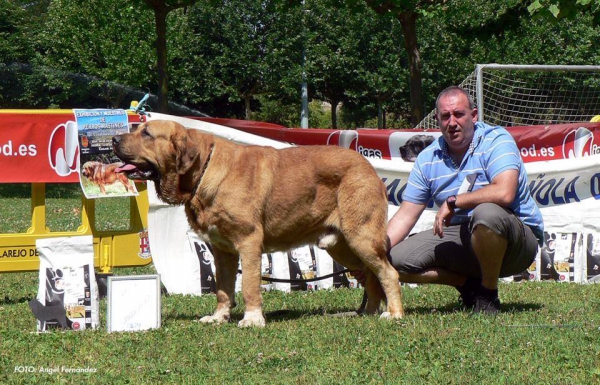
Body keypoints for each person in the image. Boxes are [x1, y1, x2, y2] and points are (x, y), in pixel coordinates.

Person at [383, 86, 544, 315]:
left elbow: (505, 193)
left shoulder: (496, 140)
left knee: (487, 213)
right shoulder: (427, 159)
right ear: (437, 120)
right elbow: (405, 216)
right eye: (445, 116)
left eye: (459, 114)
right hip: (464, 237)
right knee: (392, 260)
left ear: (474, 115)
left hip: (516, 242)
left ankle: (488, 296)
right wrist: (372, 255)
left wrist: (453, 201)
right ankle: (467, 285)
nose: (452, 122)